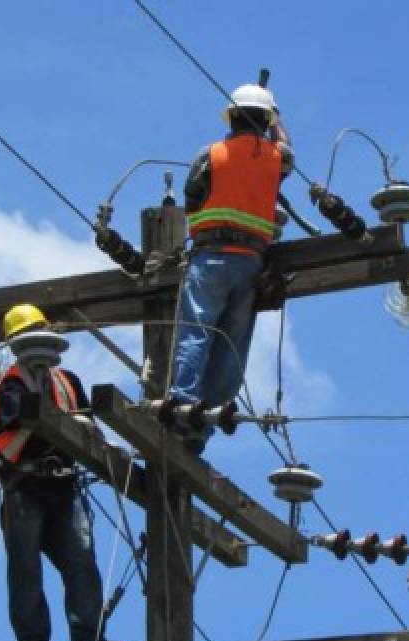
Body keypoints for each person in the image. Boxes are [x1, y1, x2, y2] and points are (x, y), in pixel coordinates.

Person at [0, 303, 121, 641]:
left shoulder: (68, 382)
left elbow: (89, 426)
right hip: (24, 487)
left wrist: (101, 444)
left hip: (63, 488)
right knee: (25, 569)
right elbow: (14, 432)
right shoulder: (11, 386)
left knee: (81, 563)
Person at [164, 83, 294, 450]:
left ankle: (183, 405)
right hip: (251, 263)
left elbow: (191, 201)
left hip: (211, 256)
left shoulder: (210, 155)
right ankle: (205, 424)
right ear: (265, 120)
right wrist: (278, 122)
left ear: (232, 117)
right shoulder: (275, 158)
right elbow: (289, 151)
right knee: (231, 346)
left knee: (197, 331)